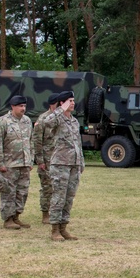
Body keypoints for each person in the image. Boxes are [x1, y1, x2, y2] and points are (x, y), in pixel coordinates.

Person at [0, 95, 35, 230]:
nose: (23, 109)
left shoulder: (27, 121)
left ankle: (16, 216)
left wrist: (31, 159)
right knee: (8, 191)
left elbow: (30, 141)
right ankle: (8, 219)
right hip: (9, 163)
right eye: (20, 106)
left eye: (24, 106)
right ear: (13, 106)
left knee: (22, 192)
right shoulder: (3, 121)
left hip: (24, 163)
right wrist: (0, 163)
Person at [46, 91, 84, 241]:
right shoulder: (57, 118)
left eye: (74, 101)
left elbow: (77, 143)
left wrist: (81, 161)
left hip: (74, 164)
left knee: (69, 197)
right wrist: (60, 110)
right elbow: (46, 122)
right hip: (60, 163)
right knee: (58, 197)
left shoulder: (74, 121)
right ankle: (54, 229)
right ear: (62, 103)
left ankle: (63, 228)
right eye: (70, 101)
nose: (73, 103)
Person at [33, 94, 61, 224]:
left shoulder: (62, 119)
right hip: (47, 159)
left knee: (59, 188)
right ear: (51, 104)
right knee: (47, 187)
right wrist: (40, 161)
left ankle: (55, 213)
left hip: (60, 159)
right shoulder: (43, 119)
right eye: (57, 104)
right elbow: (37, 141)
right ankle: (45, 214)